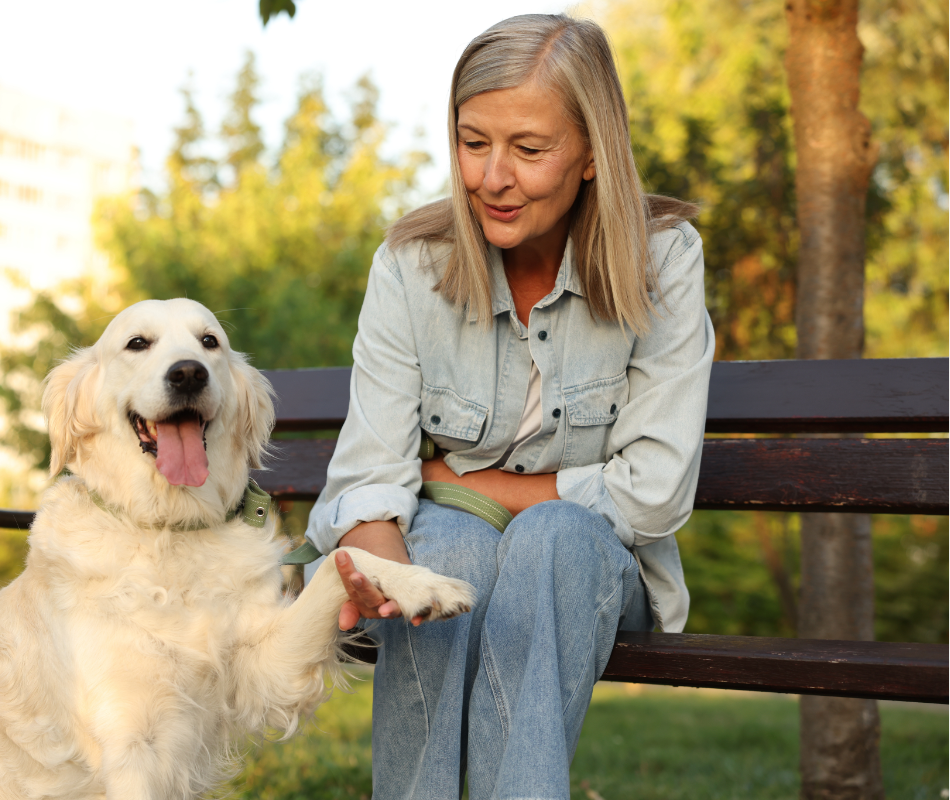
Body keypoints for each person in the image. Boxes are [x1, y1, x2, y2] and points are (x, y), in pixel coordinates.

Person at [301, 13, 714, 800]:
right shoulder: (411, 266)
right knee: (448, 542)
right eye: (472, 141)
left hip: (587, 575)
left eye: (529, 149)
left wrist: (492, 490)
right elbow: (370, 473)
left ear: (593, 152)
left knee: (554, 535)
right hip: (450, 549)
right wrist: (386, 566)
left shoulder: (663, 259)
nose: (491, 177)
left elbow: (654, 492)